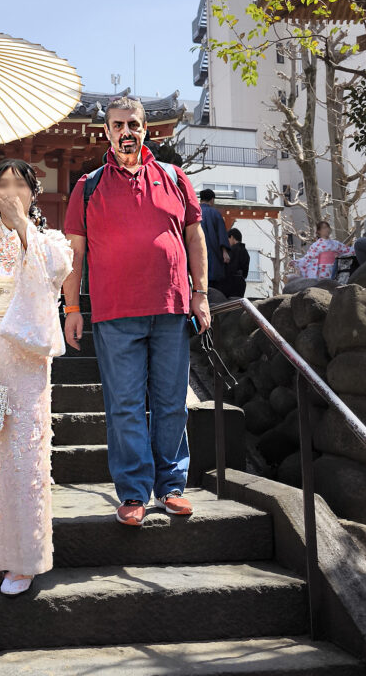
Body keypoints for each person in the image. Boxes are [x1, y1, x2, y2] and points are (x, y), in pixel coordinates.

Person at [63, 96, 210, 527]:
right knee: (125, 405)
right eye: (117, 124)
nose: (126, 131)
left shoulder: (174, 177)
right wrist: (72, 307)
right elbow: (75, 252)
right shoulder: (87, 185)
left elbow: (194, 239)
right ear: (106, 132)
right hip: (114, 312)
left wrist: (200, 294)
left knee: (170, 403)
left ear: (147, 129)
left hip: (170, 305)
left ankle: (171, 487)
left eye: (134, 123)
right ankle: (132, 491)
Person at [0, 160, 73, 597]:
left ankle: (25, 559)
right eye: (2, 184)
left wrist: (25, 229)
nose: (9, 191)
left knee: (25, 458)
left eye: (19, 184)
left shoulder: (51, 242)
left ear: (33, 193)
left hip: (23, 356)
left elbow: (54, 276)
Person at [199, 189, 230, 293]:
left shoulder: (194, 212)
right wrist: (225, 252)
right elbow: (222, 234)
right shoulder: (215, 214)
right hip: (213, 255)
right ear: (212, 200)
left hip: (195, 254)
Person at [218, 227, 250, 297]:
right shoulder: (246, 252)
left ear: (232, 237)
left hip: (229, 286)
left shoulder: (230, 251)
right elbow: (245, 273)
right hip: (241, 286)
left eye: (228, 239)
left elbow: (228, 269)